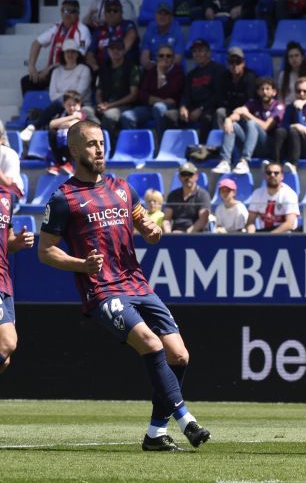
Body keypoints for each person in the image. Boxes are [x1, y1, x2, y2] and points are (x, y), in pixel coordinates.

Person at [38, 121, 211, 451]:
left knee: (180, 356)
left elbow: (141, 220)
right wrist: (80, 265)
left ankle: (155, 434)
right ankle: (187, 421)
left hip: (138, 284)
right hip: (102, 290)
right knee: (150, 342)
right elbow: (45, 251)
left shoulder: (122, 188)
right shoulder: (63, 198)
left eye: (101, 142)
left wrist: (148, 230)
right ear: (74, 150)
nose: (99, 149)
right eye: (91, 144)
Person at [214, 77, 285, 175]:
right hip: (250, 144)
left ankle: (244, 161)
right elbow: (238, 112)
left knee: (251, 123)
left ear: (274, 92)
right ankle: (225, 162)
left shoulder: (278, 106)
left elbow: (266, 126)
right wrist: (228, 119)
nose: (264, 92)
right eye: (262, 89)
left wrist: (247, 115)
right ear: (258, 91)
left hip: (266, 145)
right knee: (233, 125)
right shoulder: (253, 103)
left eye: (267, 89)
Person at [21, 0, 91, 98]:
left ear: (78, 14)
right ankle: (32, 110)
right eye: (65, 10)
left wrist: (50, 68)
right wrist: (32, 66)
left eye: (72, 11)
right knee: (27, 81)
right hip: (54, 70)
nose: (67, 14)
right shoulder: (57, 27)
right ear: (61, 12)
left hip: (70, 71)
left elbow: (78, 56)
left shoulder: (82, 31)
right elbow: (36, 43)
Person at [161, 39, 226, 142]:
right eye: (194, 52)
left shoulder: (218, 70)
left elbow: (218, 95)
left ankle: (204, 150)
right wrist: (183, 107)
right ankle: (171, 148)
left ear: (208, 53)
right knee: (169, 115)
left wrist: (201, 109)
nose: (197, 54)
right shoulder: (191, 74)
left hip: (209, 108)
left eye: (200, 51)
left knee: (207, 119)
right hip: (192, 109)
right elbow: (186, 94)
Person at [128, 43, 183, 132]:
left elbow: (172, 94)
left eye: (168, 56)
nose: (164, 58)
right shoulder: (150, 71)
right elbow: (142, 94)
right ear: (157, 58)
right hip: (149, 107)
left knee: (159, 107)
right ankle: (133, 143)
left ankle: (161, 143)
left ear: (173, 59)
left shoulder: (178, 72)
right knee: (127, 116)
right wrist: (163, 100)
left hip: (169, 108)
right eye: (161, 56)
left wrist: (161, 73)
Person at [95, 38, 141, 134]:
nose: (115, 51)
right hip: (105, 105)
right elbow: (98, 92)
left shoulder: (132, 67)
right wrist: (100, 105)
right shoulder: (104, 68)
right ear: (108, 51)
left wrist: (109, 106)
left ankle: (108, 147)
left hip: (124, 106)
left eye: (119, 48)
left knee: (109, 116)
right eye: (112, 48)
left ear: (124, 50)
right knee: (86, 112)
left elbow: (133, 96)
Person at [85, 0, 139, 72]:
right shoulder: (99, 29)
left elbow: (129, 40)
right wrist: (96, 68)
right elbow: (90, 53)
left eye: (115, 10)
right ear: (104, 13)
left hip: (123, 69)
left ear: (121, 12)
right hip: (101, 70)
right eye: (108, 10)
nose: (112, 13)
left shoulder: (128, 25)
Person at [48, 91, 96, 175]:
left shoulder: (84, 113)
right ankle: (59, 164)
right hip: (64, 146)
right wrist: (73, 116)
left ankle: (70, 164)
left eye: (74, 105)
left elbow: (71, 124)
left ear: (80, 104)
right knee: (52, 133)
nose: (72, 108)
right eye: (69, 105)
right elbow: (51, 124)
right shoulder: (63, 114)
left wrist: (64, 124)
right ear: (64, 105)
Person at [245, 162, 299, 233]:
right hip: (264, 232)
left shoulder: (289, 194)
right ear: (265, 176)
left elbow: (289, 224)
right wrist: (251, 235)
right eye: (269, 173)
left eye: (276, 173)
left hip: (286, 234)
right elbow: (250, 221)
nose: (272, 175)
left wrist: (270, 237)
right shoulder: (257, 194)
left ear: (282, 176)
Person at [163, 161, 211, 233]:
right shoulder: (172, 195)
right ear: (179, 177)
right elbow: (166, 219)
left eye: (190, 174)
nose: (187, 177)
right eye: (184, 174)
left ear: (196, 176)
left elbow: (203, 219)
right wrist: (169, 234)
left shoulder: (203, 195)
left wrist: (185, 234)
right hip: (175, 234)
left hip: (196, 236)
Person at [140, 2, 185, 71]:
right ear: (155, 15)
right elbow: (144, 57)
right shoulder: (150, 29)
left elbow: (177, 60)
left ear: (171, 18)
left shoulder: (177, 32)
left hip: (171, 70)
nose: (162, 17)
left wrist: (161, 68)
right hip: (153, 69)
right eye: (160, 13)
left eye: (166, 14)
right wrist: (149, 65)